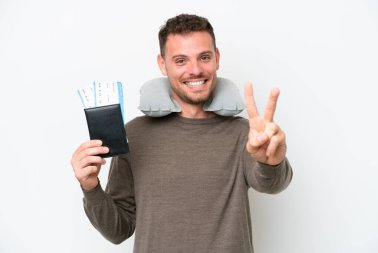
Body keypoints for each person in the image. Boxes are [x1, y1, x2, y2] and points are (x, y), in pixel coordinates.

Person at [71, 14, 292, 253]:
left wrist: (273, 161)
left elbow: (272, 184)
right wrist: (91, 188)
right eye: (181, 60)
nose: (195, 70)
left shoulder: (243, 134)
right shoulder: (134, 134)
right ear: (162, 64)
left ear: (217, 59)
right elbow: (118, 231)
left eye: (204, 57)